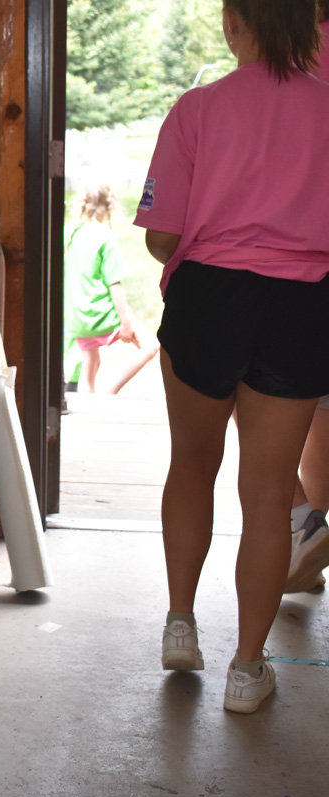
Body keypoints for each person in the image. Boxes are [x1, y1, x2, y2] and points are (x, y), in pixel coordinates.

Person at [134, 0, 329, 714]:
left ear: (231, 22)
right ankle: (247, 671)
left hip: (209, 300)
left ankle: (180, 626)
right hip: (301, 304)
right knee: (270, 495)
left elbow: (161, 237)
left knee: (192, 464)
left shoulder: (198, 109)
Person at [283, 0, 329, 594]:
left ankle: (300, 525)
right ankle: (306, 545)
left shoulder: (296, 50)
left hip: (298, 264)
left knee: (232, 384)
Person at [63, 183, 159, 394]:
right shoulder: (106, 237)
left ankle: (88, 406)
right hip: (102, 316)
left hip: (78, 319)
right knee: (150, 346)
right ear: (110, 206)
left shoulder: (72, 235)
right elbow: (114, 284)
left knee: (90, 365)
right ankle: (109, 392)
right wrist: (125, 323)